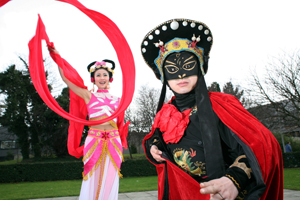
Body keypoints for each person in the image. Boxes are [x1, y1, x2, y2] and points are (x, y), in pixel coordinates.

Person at [141, 19, 283, 200]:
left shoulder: (223, 105)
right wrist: (154, 147)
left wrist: (234, 180)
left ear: (200, 68)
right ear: (163, 77)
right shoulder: (164, 113)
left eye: (188, 65)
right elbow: (157, 139)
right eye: (172, 69)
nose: (181, 75)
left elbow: (261, 147)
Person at [48, 46, 125, 200]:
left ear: (110, 78)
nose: (102, 77)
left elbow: (120, 122)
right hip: (94, 139)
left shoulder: (119, 100)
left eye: (105, 74)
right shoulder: (88, 96)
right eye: (98, 75)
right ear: (93, 79)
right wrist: (57, 57)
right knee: (91, 175)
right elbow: (67, 80)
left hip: (114, 140)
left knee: (111, 176)